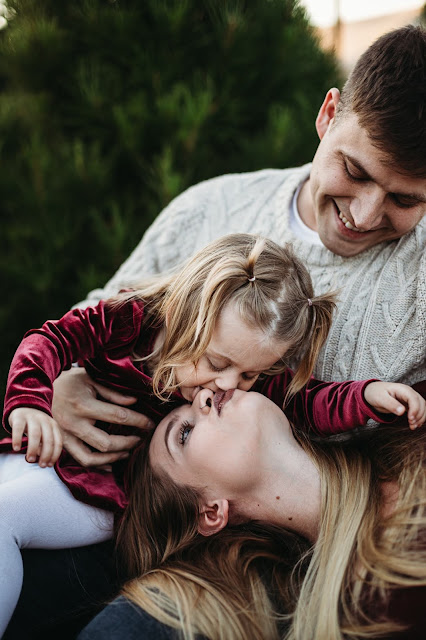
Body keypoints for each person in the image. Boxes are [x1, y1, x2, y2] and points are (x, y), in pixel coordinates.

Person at [7, 23, 426, 636]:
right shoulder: (213, 207)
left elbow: (321, 413)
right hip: (123, 499)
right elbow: (100, 313)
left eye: (405, 199)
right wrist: (62, 384)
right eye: (355, 171)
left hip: (268, 566)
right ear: (328, 113)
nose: (365, 215)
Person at [5, 232, 423, 635]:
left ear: (214, 511)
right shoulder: (129, 322)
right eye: (217, 362)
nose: (224, 387)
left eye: (251, 374)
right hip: (46, 446)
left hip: (96, 486)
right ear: (181, 313)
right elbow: (53, 339)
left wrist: (365, 396)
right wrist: (33, 397)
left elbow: (309, 402)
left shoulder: (244, 391)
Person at [79, 384, 426, 640]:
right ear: (211, 513)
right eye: (184, 434)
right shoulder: (360, 619)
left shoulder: (408, 415)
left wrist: (74, 374)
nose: (203, 394)